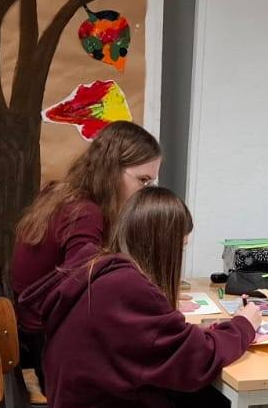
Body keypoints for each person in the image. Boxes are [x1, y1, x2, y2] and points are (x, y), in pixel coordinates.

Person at [17, 186, 258, 408]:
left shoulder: (101, 268)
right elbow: (195, 363)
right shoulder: (128, 289)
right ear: (163, 244)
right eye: (180, 248)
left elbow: (166, 342)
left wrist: (215, 332)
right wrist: (244, 325)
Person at [11, 121, 162, 368]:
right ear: (113, 169)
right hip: (47, 344)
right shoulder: (84, 213)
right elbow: (83, 289)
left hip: (32, 331)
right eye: (142, 180)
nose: (145, 192)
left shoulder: (59, 194)